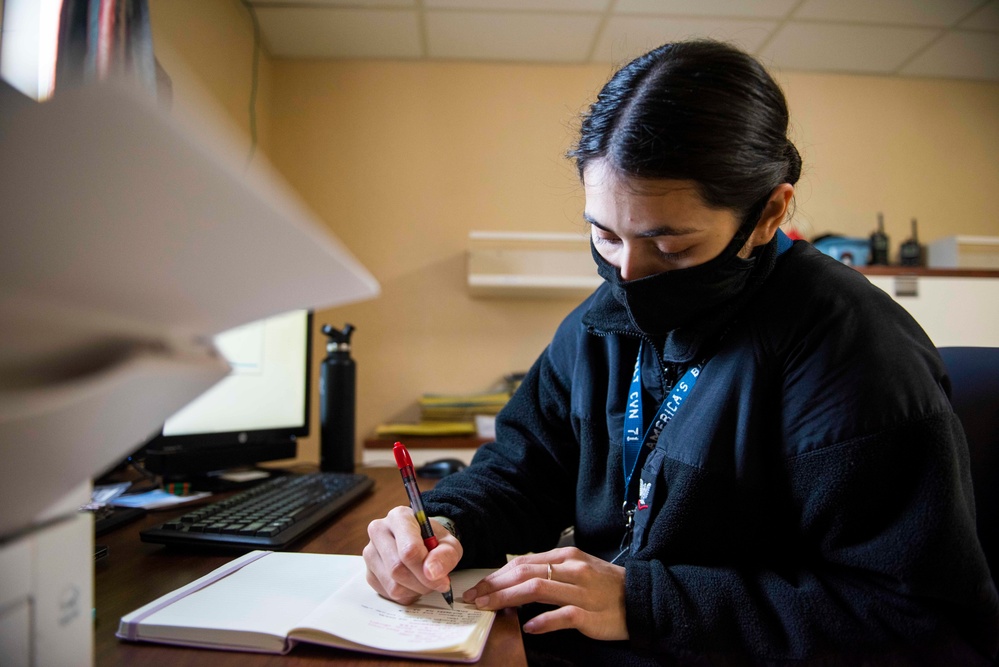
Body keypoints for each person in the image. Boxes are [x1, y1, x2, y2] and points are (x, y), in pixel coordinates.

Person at [363, 40, 999, 665]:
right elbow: (526, 473)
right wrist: (442, 527)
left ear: (770, 214)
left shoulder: (855, 355)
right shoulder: (596, 325)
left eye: (671, 248)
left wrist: (645, 603)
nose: (629, 278)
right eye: (604, 235)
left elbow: (923, 624)